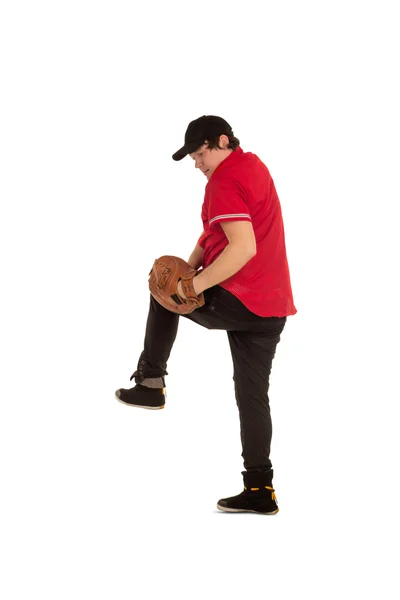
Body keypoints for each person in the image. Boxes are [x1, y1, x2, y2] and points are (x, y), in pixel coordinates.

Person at [115, 115, 297, 515]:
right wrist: (191, 264)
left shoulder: (223, 181)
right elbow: (217, 235)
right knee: (252, 397)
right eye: (194, 158)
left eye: (200, 154)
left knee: (163, 292)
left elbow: (243, 247)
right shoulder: (254, 167)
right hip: (271, 308)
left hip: (241, 297)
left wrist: (190, 287)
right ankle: (260, 490)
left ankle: (150, 381)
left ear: (222, 141)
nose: (197, 163)